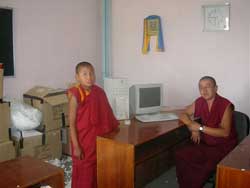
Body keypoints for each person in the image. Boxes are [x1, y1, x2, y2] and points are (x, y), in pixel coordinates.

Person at [175, 76, 237, 188]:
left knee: (202, 166)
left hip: (223, 146)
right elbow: (183, 114)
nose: (204, 90)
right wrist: (191, 126)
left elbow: (225, 133)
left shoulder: (225, 105)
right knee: (181, 154)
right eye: (201, 87)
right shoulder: (200, 101)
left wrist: (199, 128)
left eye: (208, 86)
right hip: (205, 142)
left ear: (216, 88)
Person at [67, 61, 119, 188]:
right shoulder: (75, 94)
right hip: (83, 142)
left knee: (98, 172)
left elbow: (107, 114)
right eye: (84, 74)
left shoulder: (99, 92)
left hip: (98, 140)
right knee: (84, 174)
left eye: (91, 73)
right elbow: (71, 124)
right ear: (77, 77)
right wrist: (76, 147)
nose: (89, 77)